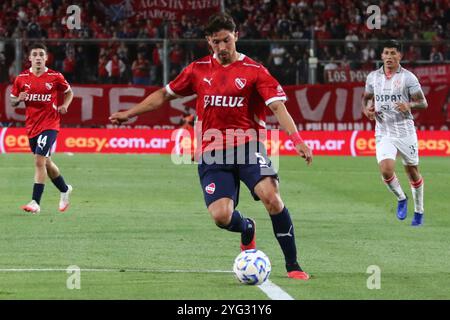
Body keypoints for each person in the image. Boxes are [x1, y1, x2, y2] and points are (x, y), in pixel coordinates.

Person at [110, 13, 313, 280]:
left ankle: (293, 264)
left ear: (236, 36)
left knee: (271, 197)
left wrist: (296, 139)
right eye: (215, 42)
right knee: (221, 216)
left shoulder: (255, 71)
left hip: (248, 146)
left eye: (226, 40)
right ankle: (247, 227)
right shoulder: (197, 70)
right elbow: (164, 94)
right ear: (209, 41)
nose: (221, 47)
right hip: (212, 151)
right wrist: (130, 113)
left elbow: (277, 106)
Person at [362, 40, 428, 226]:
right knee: (386, 169)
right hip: (383, 130)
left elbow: (423, 103)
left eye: (393, 53)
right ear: (381, 56)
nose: (389, 57)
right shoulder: (373, 77)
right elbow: (366, 98)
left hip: (405, 130)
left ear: (400, 56)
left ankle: (419, 211)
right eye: (386, 53)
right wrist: (367, 109)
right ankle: (401, 197)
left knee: (412, 172)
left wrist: (409, 104)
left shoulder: (409, 78)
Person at [10, 43, 74, 214]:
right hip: (32, 126)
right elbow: (12, 101)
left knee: (39, 161)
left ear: (46, 58)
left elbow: (69, 92)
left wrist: (65, 105)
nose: (38, 57)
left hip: (50, 124)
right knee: (46, 162)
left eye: (41, 55)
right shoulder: (21, 78)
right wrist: (18, 99)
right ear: (30, 58)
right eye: (35, 55)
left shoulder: (55, 76)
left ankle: (35, 202)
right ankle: (64, 189)